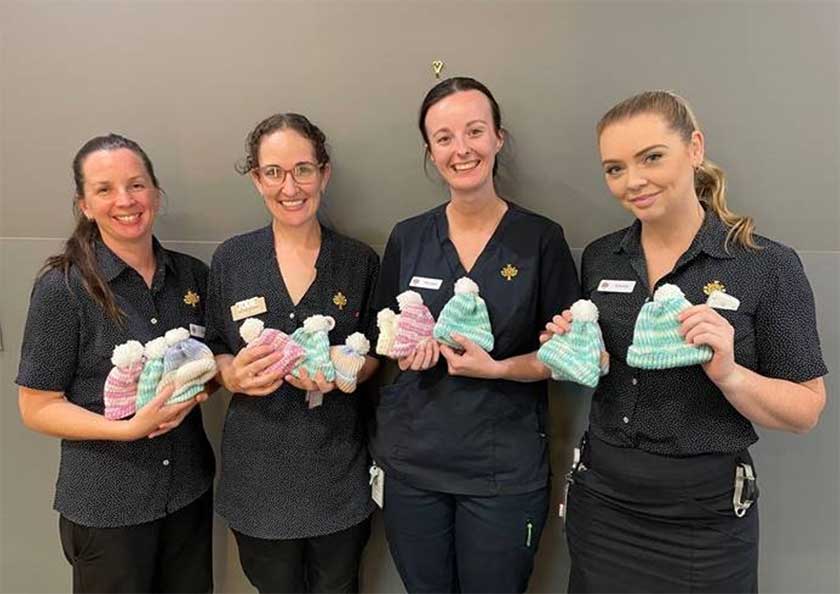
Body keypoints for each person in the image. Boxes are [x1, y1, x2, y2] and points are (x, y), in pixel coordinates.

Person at [545, 90, 828, 593]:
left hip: (705, 518)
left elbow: (806, 410)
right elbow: (608, 368)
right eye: (614, 168)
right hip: (603, 501)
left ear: (694, 148)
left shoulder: (766, 265)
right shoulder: (602, 258)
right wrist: (583, 352)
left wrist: (730, 373)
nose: (633, 181)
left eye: (652, 157)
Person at [372, 76, 580, 593]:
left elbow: (570, 354)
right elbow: (384, 334)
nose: (461, 149)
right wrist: (405, 351)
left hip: (502, 472)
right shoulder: (409, 237)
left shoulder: (540, 239)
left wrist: (500, 368)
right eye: (444, 138)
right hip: (414, 465)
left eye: (474, 131)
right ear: (430, 150)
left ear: (498, 139)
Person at [16, 134, 216, 593]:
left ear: (156, 194)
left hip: (187, 493)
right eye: (105, 189)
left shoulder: (193, 277)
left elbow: (207, 368)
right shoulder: (62, 289)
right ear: (84, 204)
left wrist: (201, 387)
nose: (125, 201)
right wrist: (127, 428)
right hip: (107, 507)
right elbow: (37, 406)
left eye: (136, 185)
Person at [204, 113, 380, 593]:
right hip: (258, 478)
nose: (290, 186)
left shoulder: (358, 261)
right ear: (257, 179)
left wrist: (344, 372)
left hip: (337, 473)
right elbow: (216, 347)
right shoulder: (232, 260)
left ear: (324, 173)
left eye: (303, 169)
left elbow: (376, 356)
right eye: (274, 172)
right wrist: (231, 375)